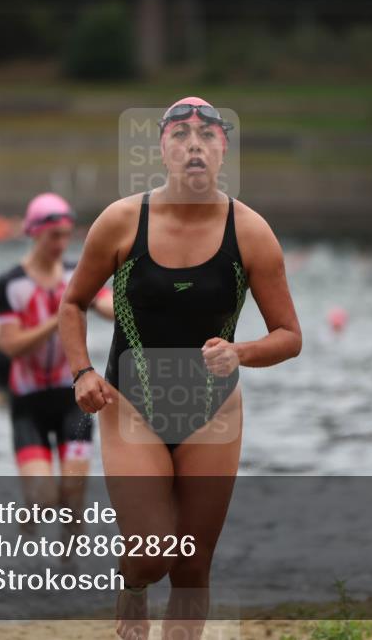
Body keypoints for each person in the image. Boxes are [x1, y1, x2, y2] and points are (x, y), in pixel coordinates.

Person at [59, 97, 302, 640]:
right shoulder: (121, 222)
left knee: (191, 567)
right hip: (131, 405)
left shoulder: (252, 232)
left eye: (207, 135)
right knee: (149, 556)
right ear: (163, 150)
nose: (195, 144)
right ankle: (133, 586)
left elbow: (290, 337)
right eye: (181, 135)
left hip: (213, 410)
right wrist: (82, 373)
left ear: (223, 151)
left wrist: (239, 353)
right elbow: (72, 303)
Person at [0, 192, 113, 538]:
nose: (61, 243)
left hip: (72, 399)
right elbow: (11, 345)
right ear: (33, 232)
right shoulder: (11, 283)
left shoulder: (79, 274)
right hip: (28, 404)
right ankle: (26, 555)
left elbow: (106, 306)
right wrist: (62, 314)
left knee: (74, 500)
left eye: (66, 235)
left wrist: (114, 307)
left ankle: (68, 575)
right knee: (45, 499)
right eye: (53, 236)